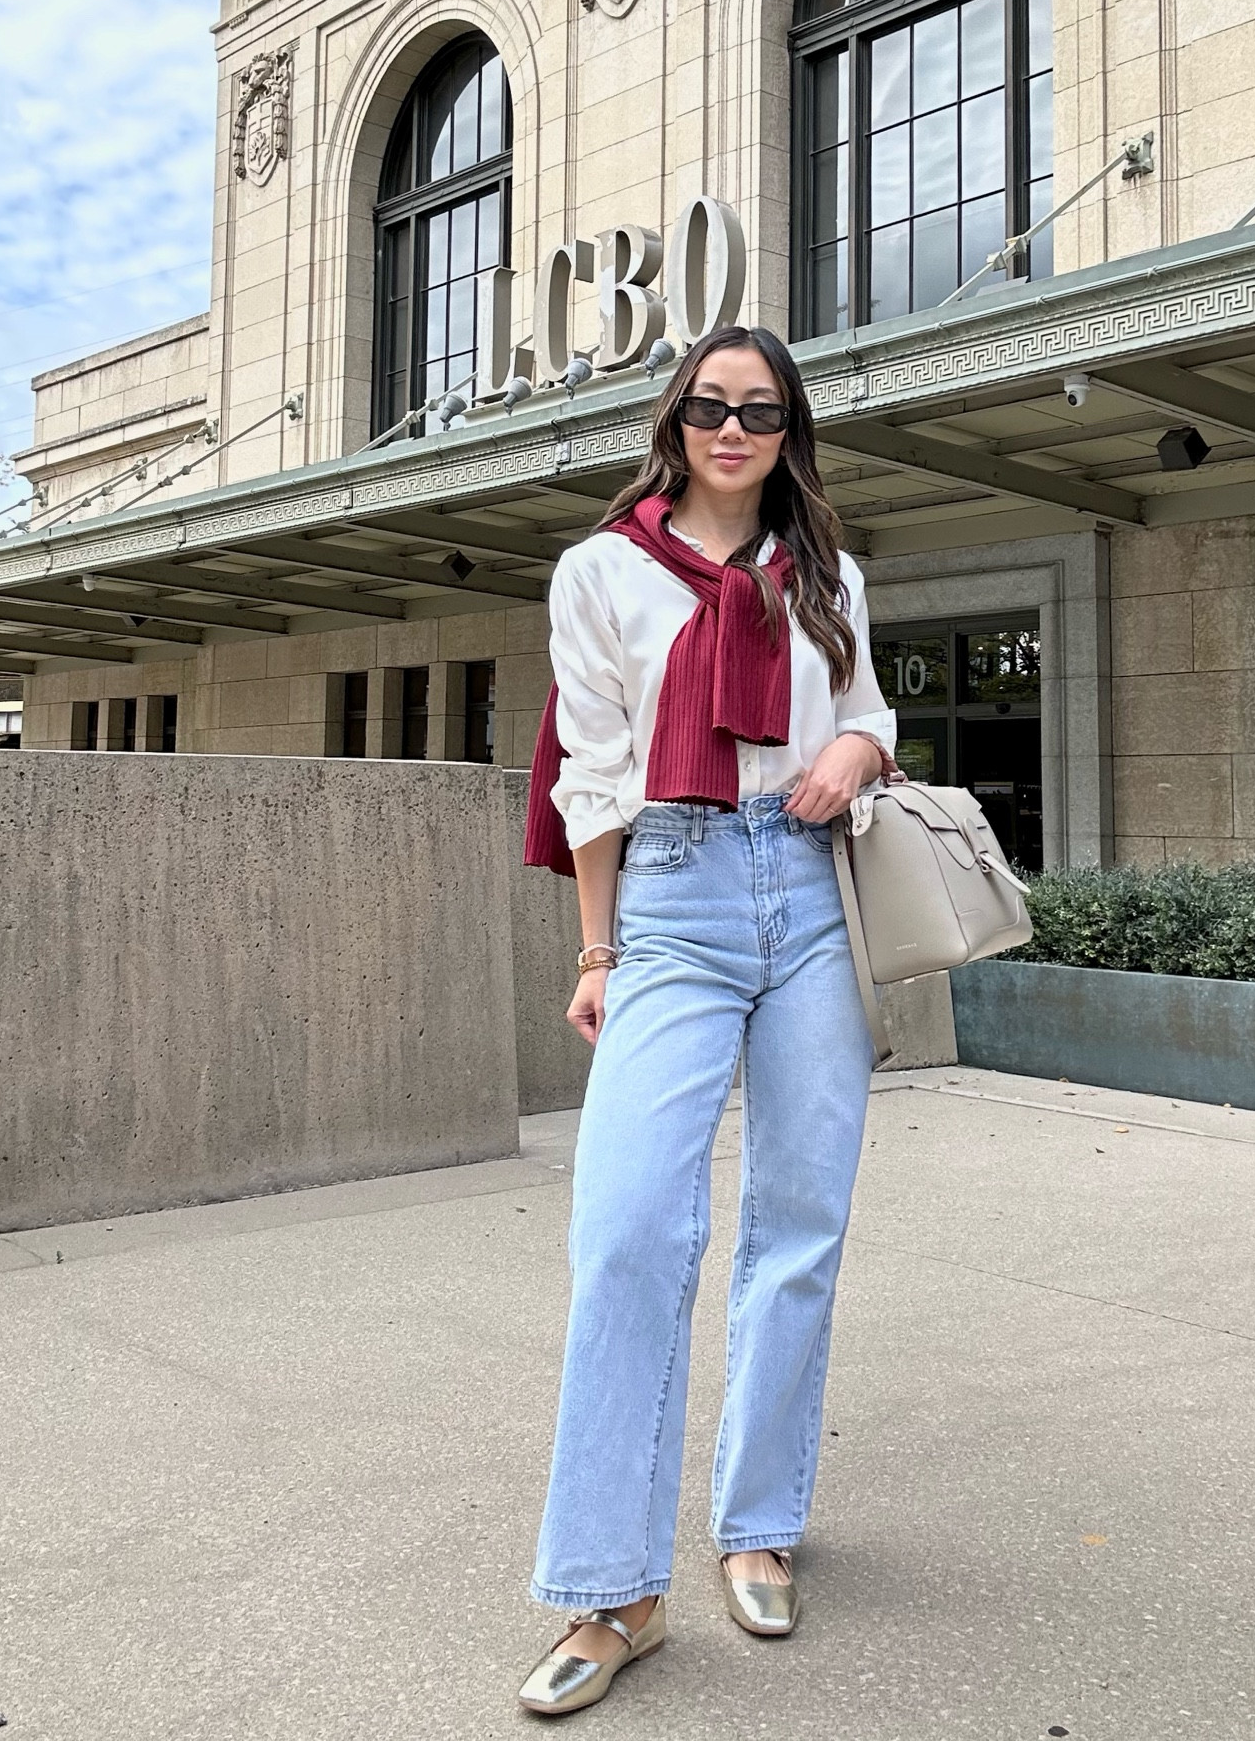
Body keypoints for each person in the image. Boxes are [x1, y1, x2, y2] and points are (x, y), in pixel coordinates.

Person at [517, 323, 896, 1717]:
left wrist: (859, 743)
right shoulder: (603, 572)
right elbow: (592, 774)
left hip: (805, 894)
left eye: (761, 409)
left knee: (800, 1221)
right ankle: (613, 1587)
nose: (732, 428)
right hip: (671, 891)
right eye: (707, 406)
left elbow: (863, 717)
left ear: (790, 431)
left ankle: (759, 1521)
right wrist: (598, 948)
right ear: (671, 420)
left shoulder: (831, 576)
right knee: (626, 1231)